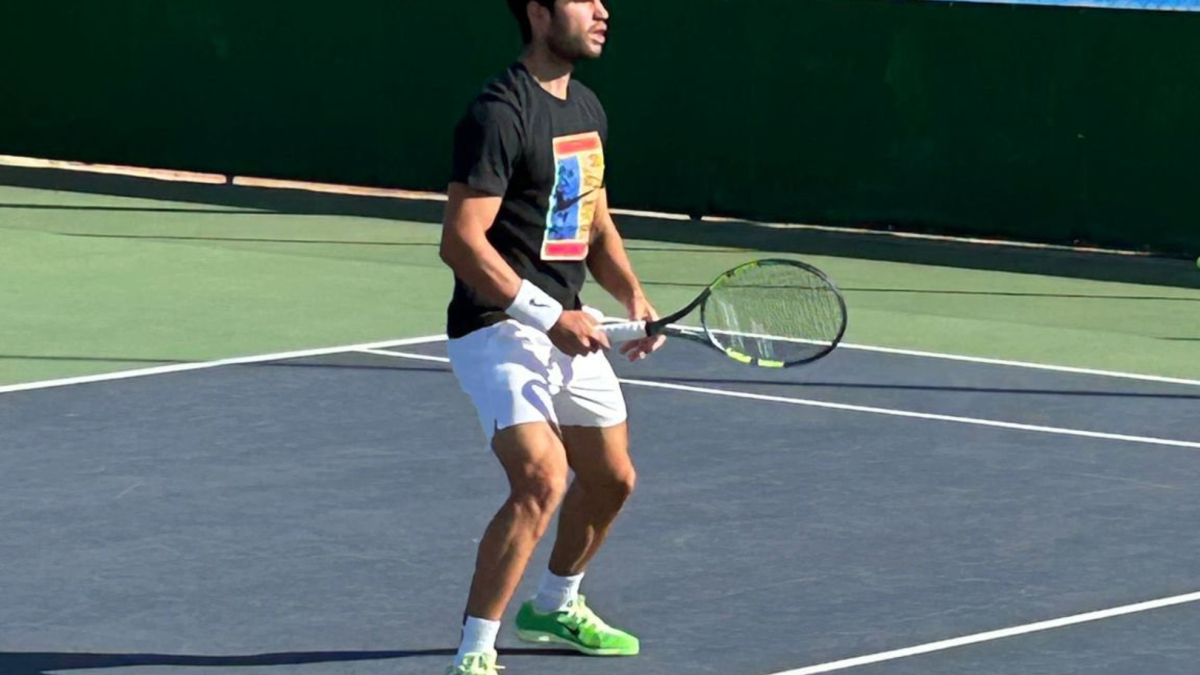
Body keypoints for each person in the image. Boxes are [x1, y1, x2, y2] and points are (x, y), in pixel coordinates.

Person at [437, 1, 664, 674]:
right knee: (541, 477)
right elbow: (459, 241)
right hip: (497, 327)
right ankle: (475, 653)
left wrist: (631, 292)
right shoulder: (498, 113)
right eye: (583, 0)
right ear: (538, 13)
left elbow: (591, 216)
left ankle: (555, 603)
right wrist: (547, 316)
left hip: (567, 322)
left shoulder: (587, 109)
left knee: (613, 478)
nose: (602, 11)